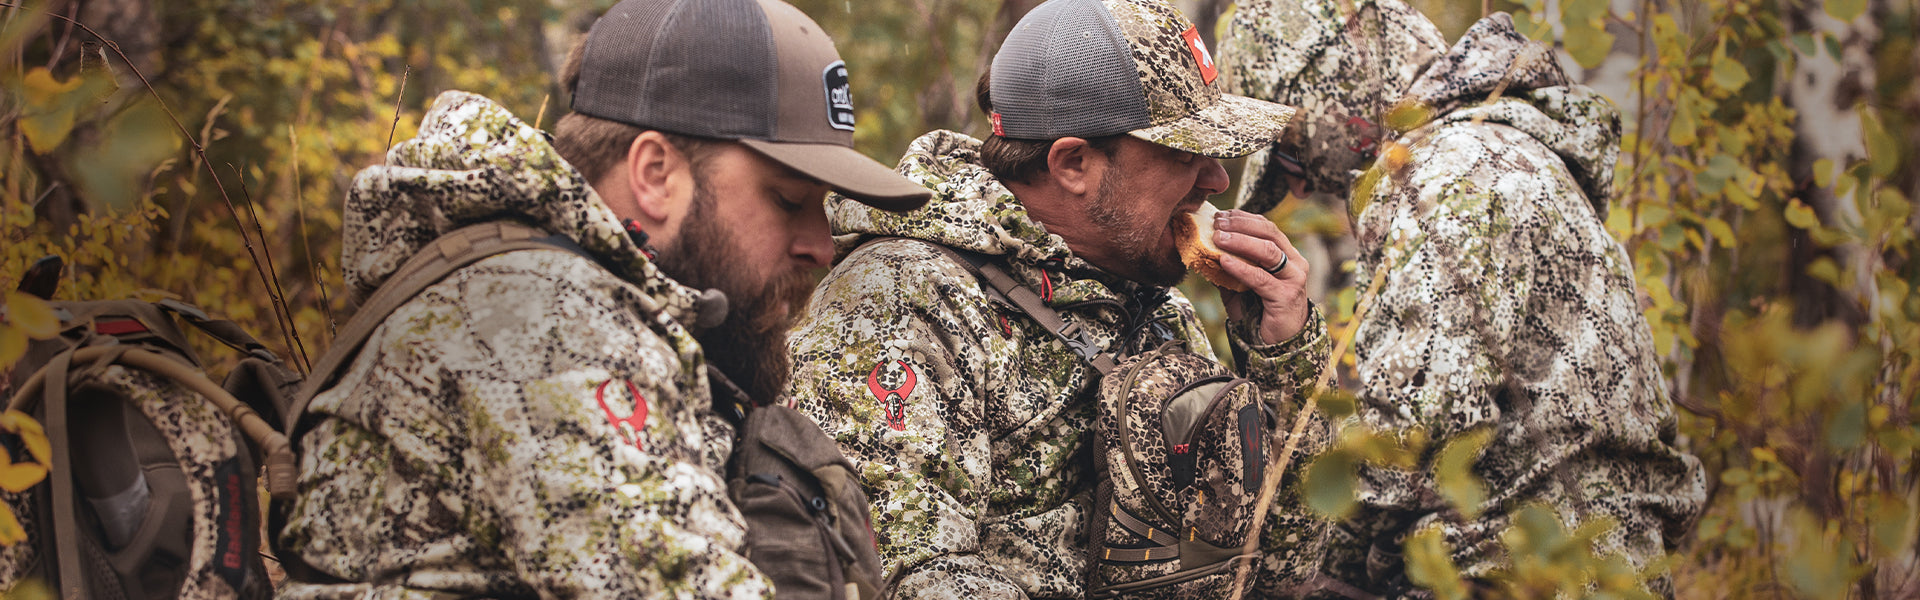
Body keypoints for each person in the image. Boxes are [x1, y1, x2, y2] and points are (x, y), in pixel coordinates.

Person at [273, 0, 929, 596]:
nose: (821, 243)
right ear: (654, 173)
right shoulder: (543, 319)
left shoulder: (569, 297)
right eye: (787, 200)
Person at [782, 0, 1331, 597]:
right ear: (1073, 163)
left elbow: (1276, 570)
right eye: (1184, 155)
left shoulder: (1153, 309)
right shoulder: (901, 302)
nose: (1218, 180)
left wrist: (1284, 353)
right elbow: (895, 573)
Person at [1218, 1, 1708, 596]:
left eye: (1291, 149)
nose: (1298, 182)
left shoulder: (1454, 177)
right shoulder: (1486, 154)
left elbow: (1409, 447)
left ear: (1337, 79)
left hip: (1524, 572)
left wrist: (1263, 539)